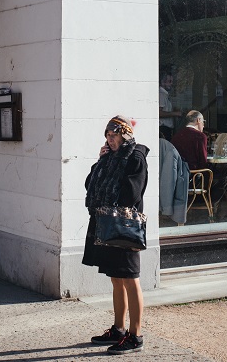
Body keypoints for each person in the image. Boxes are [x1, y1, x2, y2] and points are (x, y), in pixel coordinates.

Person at [83, 115, 149, 354]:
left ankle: (136, 335)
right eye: (108, 136)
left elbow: (131, 194)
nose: (110, 140)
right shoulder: (110, 157)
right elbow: (90, 183)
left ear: (125, 135)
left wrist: (110, 202)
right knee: (116, 278)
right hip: (107, 224)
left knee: (131, 279)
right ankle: (119, 328)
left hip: (125, 227)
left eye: (114, 136)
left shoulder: (136, 157)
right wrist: (101, 161)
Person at [158, 72, 181, 140]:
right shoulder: (161, 94)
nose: (171, 84)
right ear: (163, 82)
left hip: (166, 129)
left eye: (172, 81)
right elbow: (159, 113)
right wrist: (175, 113)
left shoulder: (165, 94)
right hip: (163, 128)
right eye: (169, 81)